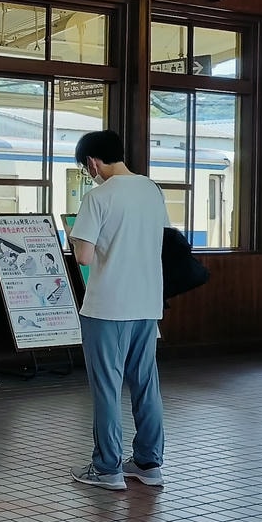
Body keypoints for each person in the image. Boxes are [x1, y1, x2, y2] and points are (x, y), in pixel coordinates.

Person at [69, 130, 169, 490]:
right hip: (147, 303)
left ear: (92, 162)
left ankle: (107, 469)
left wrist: (74, 237)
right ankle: (148, 463)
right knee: (146, 384)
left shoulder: (99, 197)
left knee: (107, 388)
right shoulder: (152, 191)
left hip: (108, 305)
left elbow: (83, 256)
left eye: (86, 167)